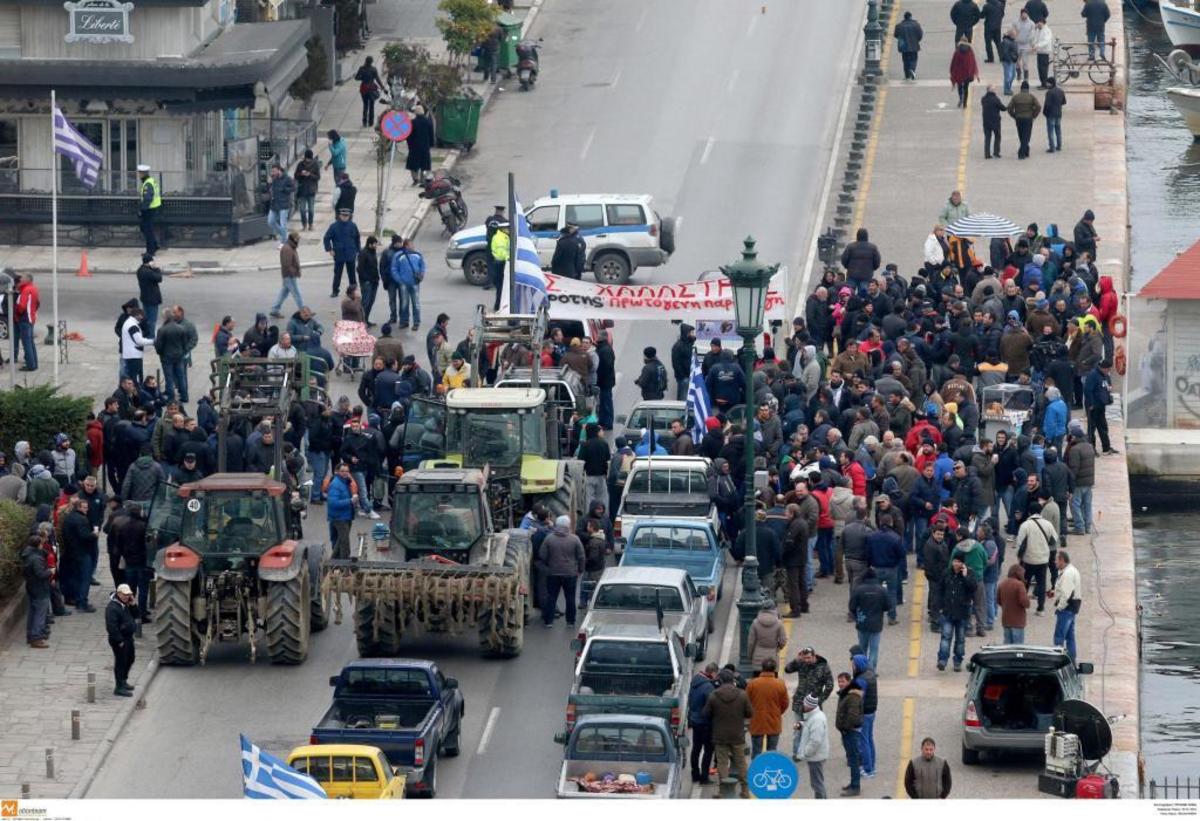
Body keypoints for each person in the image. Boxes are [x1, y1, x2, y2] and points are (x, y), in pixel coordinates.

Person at [703, 668, 753, 799]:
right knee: (741, 762)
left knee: (722, 763)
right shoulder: (742, 694)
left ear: (720, 680)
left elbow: (706, 714)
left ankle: (724, 791)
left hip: (720, 735)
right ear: (733, 680)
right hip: (737, 734)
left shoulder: (714, 695)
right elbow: (750, 713)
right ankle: (745, 790)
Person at [539, 515, 584, 627]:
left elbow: (542, 555)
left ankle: (549, 621)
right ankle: (570, 622)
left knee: (551, 597)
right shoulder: (574, 539)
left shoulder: (549, 538)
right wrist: (580, 570)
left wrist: (548, 565)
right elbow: (581, 556)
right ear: (568, 525)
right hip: (570, 573)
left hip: (553, 573)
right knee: (570, 598)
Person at [937, 555, 977, 671]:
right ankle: (942, 660)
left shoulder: (969, 573)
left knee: (960, 640)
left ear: (963, 564)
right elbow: (939, 590)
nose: (956, 564)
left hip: (962, 613)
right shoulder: (946, 573)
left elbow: (973, 587)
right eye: (955, 561)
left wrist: (965, 576)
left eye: (959, 562)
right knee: (945, 637)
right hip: (947, 611)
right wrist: (939, 607)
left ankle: (957, 661)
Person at [747, 658, 789, 758]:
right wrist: (777, 712)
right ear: (774, 669)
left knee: (756, 752)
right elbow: (785, 703)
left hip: (757, 721)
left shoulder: (753, 684)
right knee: (772, 752)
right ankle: (771, 771)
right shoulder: (780, 684)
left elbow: (746, 702)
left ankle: (756, 771)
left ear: (762, 668)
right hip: (774, 721)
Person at [687, 663, 718, 784]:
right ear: (712, 673)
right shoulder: (708, 687)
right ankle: (704, 777)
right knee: (708, 750)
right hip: (705, 723)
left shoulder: (695, 682)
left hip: (695, 720)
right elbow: (712, 706)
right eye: (716, 674)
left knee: (696, 748)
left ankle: (695, 774)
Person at [1049, 550, 1082, 661]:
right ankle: (1072, 661)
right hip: (1073, 607)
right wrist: (1054, 593)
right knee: (1070, 637)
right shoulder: (1070, 571)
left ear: (1062, 560)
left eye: (1056, 560)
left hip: (1066, 609)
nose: (1054, 562)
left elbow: (1066, 595)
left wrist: (1059, 607)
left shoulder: (1067, 574)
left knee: (1059, 637)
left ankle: (1058, 662)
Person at [105, 583, 138, 696]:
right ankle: (119, 687)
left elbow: (137, 615)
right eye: (124, 595)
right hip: (120, 640)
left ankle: (124, 680)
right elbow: (111, 627)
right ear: (118, 594)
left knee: (130, 659)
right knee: (121, 662)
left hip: (128, 638)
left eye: (129, 594)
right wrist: (119, 641)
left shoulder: (127, 604)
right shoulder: (112, 608)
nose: (127, 597)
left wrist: (133, 604)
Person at [834, 671, 864, 797]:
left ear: (849, 681)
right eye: (839, 681)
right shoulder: (846, 694)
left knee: (853, 760)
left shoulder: (852, 697)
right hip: (847, 732)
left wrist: (845, 728)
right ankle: (853, 783)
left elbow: (853, 717)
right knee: (852, 760)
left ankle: (855, 786)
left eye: (843, 681)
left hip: (850, 732)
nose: (840, 684)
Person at [795, 693, 829, 798]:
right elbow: (809, 725)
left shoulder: (817, 719)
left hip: (815, 757)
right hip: (816, 756)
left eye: (805, 703)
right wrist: (801, 724)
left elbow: (815, 741)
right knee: (817, 781)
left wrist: (806, 753)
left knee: (817, 783)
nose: (803, 705)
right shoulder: (814, 716)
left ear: (809, 705)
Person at [21, 535, 52, 648]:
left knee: (32, 612)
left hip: (31, 586)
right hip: (40, 588)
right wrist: (50, 571)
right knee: (40, 613)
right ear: (39, 545)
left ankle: (31, 635)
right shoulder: (36, 558)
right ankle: (36, 637)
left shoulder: (27, 554)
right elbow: (40, 574)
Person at [323, 208, 361, 298]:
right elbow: (326, 238)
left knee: (352, 274)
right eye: (343, 216)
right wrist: (329, 249)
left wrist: (358, 250)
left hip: (350, 253)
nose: (345, 217)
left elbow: (357, 238)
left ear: (349, 216)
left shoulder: (353, 226)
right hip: (339, 253)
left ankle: (353, 291)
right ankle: (335, 290)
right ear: (340, 216)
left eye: (346, 216)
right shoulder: (334, 226)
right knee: (337, 274)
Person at [391, 237, 425, 332]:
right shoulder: (398, 256)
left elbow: (422, 265)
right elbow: (394, 269)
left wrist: (421, 274)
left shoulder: (418, 255)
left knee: (416, 304)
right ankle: (404, 321)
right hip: (404, 284)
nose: (413, 246)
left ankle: (416, 322)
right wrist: (399, 280)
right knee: (404, 304)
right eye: (411, 244)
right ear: (406, 245)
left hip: (415, 283)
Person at [1083, 359, 1117, 454]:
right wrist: (1091, 404)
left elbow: (1107, 387)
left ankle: (1106, 447)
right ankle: (1091, 449)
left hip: (1101, 405)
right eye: (1108, 369)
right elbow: (1087, 390)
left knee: (1103, 426)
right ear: (1103, 368)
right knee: (1091, 428)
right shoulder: (1093, 375)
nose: (1109, 371)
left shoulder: (1106, 375)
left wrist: (1108, 397)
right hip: (1093, 406)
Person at [323, 462, 356, 559]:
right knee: (344, 542)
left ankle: (335, 562)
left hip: (344, 516)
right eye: (342, 471)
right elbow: (333, 503)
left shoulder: (345, 482)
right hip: (339, 518)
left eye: (347, 471)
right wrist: (350, 501)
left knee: (339, 541)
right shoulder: (336, 485)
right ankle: (343, 563)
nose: (345, 473)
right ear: (337, 472)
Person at [269, 231, 305, 319]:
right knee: (297, 293)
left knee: (283, 293)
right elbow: (286, 265)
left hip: (288, 275)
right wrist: (295, 273)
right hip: (289, 276)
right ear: (293, 239)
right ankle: (303, 311)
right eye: (297, 239)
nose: (298, 240)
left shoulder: (290, 247)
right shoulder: (287, 249)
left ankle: (274, 310)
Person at [997, 563, 1030, 643]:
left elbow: (998, 600)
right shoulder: (1019, 585)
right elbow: (1025, 603)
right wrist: (1028, 599)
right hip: (1017, 622)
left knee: (1007, 648)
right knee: (1017, 648)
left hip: (1006, 620)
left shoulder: (1002, 584)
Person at [12, 272, 39, 371]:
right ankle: (34, 363)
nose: (21, 279)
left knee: (26, 343)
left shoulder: (26, 290)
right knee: (30, 342)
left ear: (28, 279)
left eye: (23, 278)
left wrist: (17, 312)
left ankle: (30, 365)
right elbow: (37, 303)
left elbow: (22, 306)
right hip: (31, 318)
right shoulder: (34, 288)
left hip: (24, 319)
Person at [1008, 81, 1041, 160]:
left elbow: (1009, 108)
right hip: (1028, 118)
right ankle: (1021, 152)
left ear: (1021, 88)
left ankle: (1026, 150)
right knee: (1026, 136)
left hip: (1018, 118)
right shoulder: (1031, 97)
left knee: (1021, 135)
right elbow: (1038, 106)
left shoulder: (1015, 97)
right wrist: (1034, 115)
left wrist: (1014, 115)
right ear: (1028, 88)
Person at [135, 253, 163, 339]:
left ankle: (145, 334)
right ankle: (151, 336)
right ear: (149, 262)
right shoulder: (148, 272)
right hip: (152, 299)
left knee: (146, 318)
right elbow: (159, 278)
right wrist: (156, 268)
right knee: (152, 319)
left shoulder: (140, 270)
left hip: (145, 297)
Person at [293, 148, 321, 231]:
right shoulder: (300, 165)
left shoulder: (315, 164)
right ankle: (304, 224)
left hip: (311, 190)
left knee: (311, 210)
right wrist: (301, 174)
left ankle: (311, 224)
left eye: (309, 158)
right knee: (302, 210)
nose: (307, 160)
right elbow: (295, 176)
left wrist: (310, 175)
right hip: (302, 190)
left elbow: (318, 177)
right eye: (306, 158)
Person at [406, 105, 435, 185]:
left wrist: (409, 145)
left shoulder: (413, 122)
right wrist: (431, 144)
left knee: (413, 164)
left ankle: (415, 179)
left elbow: (409, 136)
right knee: (424, 165)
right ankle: (423, 180)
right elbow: (431, 134)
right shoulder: (428, 122)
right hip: (425, 146)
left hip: (414, 147)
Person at [136, 164, 162, 256]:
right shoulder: (151, 181)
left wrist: (142, 210)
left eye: (139, 173)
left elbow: (147, 198)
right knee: (146, 228)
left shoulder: (147, 184)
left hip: (149, 209)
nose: (138, 174)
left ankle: (150, 252)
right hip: (153, 208)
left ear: (143, 173)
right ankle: (154, 245)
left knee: (148, 230)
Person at [266, 163, 294, 245]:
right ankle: (284, 235)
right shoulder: (273, 179)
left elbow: (293, 188)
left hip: (284, 204)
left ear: (279, 170)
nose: (273, 173)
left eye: (274, 171)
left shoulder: (287, 178)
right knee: (270, 222)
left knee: (283, 223)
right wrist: (269, 183)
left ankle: (284, 242)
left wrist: (284, 189)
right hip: (274, 204)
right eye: (272, 171)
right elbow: (270, 190)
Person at [950, 37, 980, 108]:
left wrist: (952, 73)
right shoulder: (970, 51)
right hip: (968, 74)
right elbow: (973, 62)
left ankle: (961, 98)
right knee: (966, 88)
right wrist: (975, 72)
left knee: (959, 86)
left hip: (959, 73)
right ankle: (965, 104)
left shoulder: (957, 51)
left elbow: (954, 63)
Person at [357, 235, 380, 326]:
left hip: (374, 281)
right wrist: (366, 279)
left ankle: (366, 319)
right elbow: (360, 269)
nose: (376, 246)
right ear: (370, 244)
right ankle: (361, 321)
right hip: (367, 282)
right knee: (365, 302)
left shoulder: (373, 252)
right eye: (374, 244)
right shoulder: (363, 253)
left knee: (371, 301)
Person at [895, 11, 923, 80]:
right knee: (914, 59)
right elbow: (920, 35)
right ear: (911, 17)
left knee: (905, 60)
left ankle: (907, 75)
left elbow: (895, 35)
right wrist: (916, 40)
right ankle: (912, 70)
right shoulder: (916, 25)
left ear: (904, 18)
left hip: (903, 46)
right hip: (914, 45)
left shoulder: (899, 26)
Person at [354, 56, 382, 127]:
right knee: (372, 106)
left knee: (365, 105)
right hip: (371, 88)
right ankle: (371, 122)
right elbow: (377, 79)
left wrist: (362, 78)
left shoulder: (362, 68)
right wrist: (383, 87)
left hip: (364, 88)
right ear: (372, 62)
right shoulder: (373, 69)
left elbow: (356, 78)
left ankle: (364, 121)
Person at [981, 84, 1007, 159]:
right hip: (995, 121)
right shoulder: (996, 99)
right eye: (994, 89)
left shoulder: (983, 99)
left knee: (987, 137)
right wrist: (1007, 107)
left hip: (986, 121)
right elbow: (1003, 108)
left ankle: (987, 154)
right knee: (997, 136)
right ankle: (996, 152)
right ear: (991, 90)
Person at [1043, 77, 1066, 152]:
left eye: (1047, 83)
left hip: (1051, 114)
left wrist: (1045, 113)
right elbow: (1064, 102)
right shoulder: (1061, 91)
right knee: (1058, 130)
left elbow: (1047, 105)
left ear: (1051, 83)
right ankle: (1059, 146)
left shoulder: (1049, 92)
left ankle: (1052, 147)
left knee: (1050, 131)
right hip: (1059, 113)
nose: (1046, 84)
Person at [1032, 19, 1054, 88]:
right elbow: (1035, 38)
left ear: (1042, 23)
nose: (1037, 25)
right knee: (1039, 68)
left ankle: (1044, 83)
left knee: (1043, 68)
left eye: (1038, 23)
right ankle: (1042, 82)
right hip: (1039, 51)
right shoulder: (1039, 30)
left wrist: (1038, 46)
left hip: (1044, 52)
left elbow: (1046, 41)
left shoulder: (1047, 30)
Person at [1000, 28, 1020, 95]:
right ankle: (1007, 90)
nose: (1016, 36)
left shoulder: (1012, 41)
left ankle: (1008, 88)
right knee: (1008, 76)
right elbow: (1005, 52)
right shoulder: (1006, 42)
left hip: (1013, 61)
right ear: (1011, 35)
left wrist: (1016, 59)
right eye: (1014, 35)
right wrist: (1010, 59)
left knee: (1013, 75)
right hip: (1008, 61)